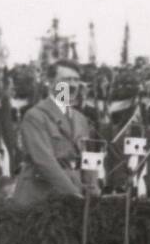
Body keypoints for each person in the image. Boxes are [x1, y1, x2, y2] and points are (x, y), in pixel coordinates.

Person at [12, 60, 97, 204]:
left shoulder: (80, 119)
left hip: (72, 194)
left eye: (76, 80)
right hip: (40, 196)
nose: (72, 85)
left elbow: (87, 159)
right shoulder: (35, 116)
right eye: (66, 80)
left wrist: (93, 190)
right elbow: (44, 161)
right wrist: (74, 194)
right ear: (51, 83)